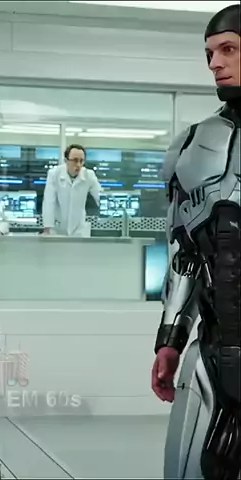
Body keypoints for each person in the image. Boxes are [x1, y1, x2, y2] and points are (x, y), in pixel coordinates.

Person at [150, 5, 240, 479]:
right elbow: (185, 256)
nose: (214, 63)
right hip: (213, 356)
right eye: (209, 53)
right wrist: (170, 339)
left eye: (228, 49)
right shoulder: (193, 145)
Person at [42, 144, 101, 236]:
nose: (78, 165)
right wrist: (47, 228)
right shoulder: (54, 174)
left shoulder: (89, 175)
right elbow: (49, 202)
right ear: (66, 161)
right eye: (75, 160)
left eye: (81, 161)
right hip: (58, 228)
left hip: (79, 228)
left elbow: (99, 196)